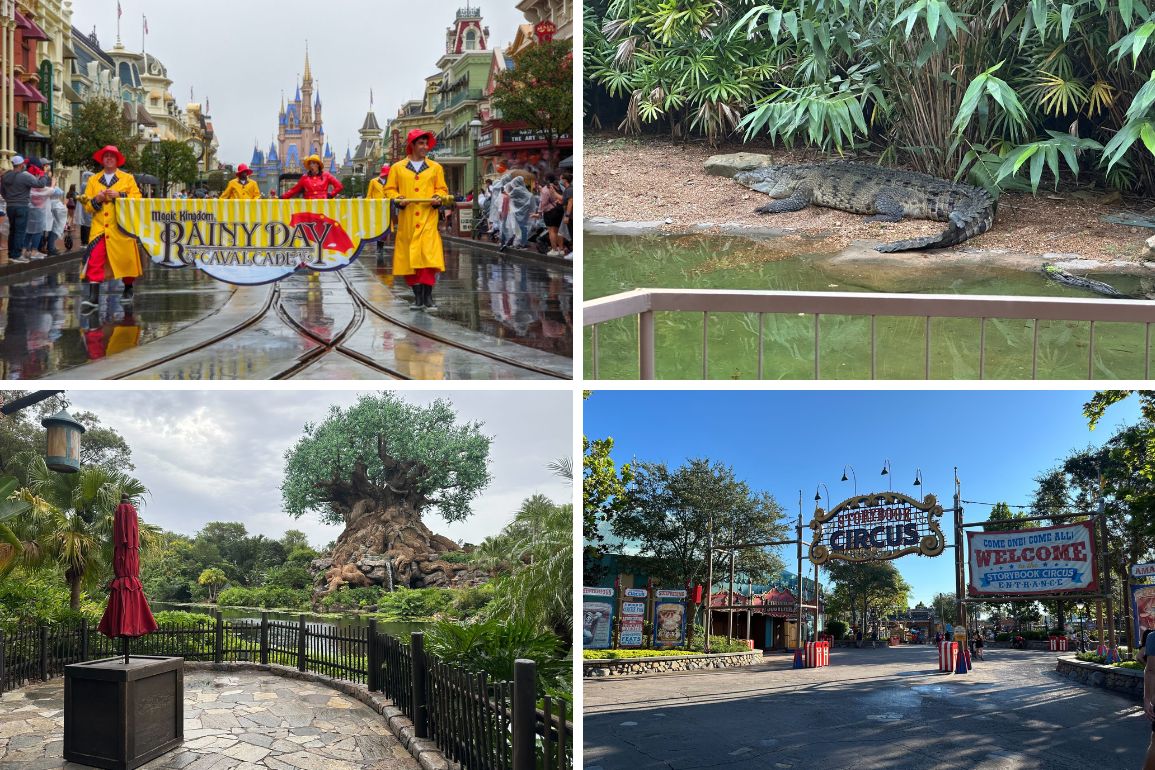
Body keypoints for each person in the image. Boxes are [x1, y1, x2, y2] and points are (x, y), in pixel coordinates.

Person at [384, 129, 448, 311]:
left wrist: (437, 197)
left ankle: (428, 297)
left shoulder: (435, 168)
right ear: (412, 145)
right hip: (408, 218)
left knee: (428, 255)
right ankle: (417, 297)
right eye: (421, 143)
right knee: (408, 258)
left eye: (426, 144)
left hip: (428, 216)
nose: (425, 147)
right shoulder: (397, 168)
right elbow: (389, 189)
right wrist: (399, 198)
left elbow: (442, 189)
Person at [82, 145, 143, 309]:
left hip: (121, 227)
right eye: (106, 156)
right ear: (102, 160)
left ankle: (128, 287)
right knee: (95, 259)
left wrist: (120, 195)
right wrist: (98, 199)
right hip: (100, 227)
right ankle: (93, 297)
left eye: (112, 156)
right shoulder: (93, 180)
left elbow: (137, 199)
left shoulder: (127, 178)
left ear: (117, 160)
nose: (109, 158)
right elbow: (87, 206)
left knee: (126, 260)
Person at [1, 155, 50, 263]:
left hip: (10, 207)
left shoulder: (5, 176)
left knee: (12, 230)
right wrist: (43, 174)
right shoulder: (24, 176)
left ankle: (11, 254)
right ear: (21, 165)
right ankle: (17, 255)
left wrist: (10, 199)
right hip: (22, 207)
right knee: (20, 231)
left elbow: (2, 192)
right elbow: (40, 184)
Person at [366, 163, 391, 267]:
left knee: (386, 228)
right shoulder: (374, 181)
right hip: (376, 207)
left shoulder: (391, 182)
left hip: (388, 207)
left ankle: (381, 246)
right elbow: (369, 195)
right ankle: (378, 246)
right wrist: (369, 206)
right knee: (378, 228)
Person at [539, 174, 565, 256]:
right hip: (560, 210)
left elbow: (543, 202)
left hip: (550, 212)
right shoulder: (559, 187)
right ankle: (561, 249)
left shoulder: (546, 189)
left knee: (551, 231)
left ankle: (554, 250)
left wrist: (539, 212)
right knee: (558, 231)